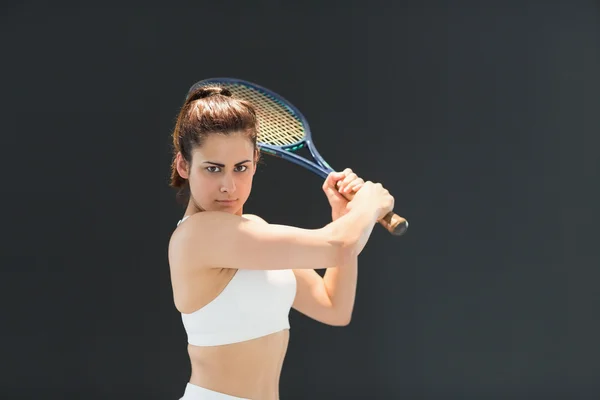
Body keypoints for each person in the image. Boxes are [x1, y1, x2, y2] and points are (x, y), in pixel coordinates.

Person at [168, 84, 395, 400]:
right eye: (213, 169)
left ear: (255, 161)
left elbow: (334, 307)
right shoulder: (197, 235)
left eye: (241, 167)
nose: (228, 185)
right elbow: (339, 246)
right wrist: (369, 205)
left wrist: (342, 215)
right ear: (184, 166)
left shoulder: (255, 232)